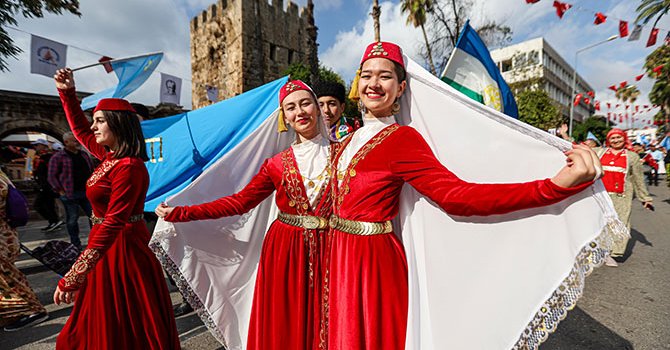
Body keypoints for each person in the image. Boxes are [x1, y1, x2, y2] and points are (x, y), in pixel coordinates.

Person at [322, 41, 602, 350]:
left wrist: (552, 187)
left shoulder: (402, 140)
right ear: (357, 82)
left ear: (401, 87)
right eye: (367, 75)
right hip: (338, 255)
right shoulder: (348, 140)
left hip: (372, 264)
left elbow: (457, 196)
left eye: (385, 76)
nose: (374, 84)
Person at [155, 80, 335, 350]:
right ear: (284, 117)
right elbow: (239, 202)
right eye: (291, 107)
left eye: (305, 103)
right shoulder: (276, 164)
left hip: (333, 245)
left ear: (317, 107)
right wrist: (181, 213)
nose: (300, 112)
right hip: (286, 250)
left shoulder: (343, 153)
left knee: (330, 314)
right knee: (290, 317)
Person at [52, 68, 180, 349]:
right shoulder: (109, 157)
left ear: (117, 124)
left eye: (99, 121)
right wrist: (67, 93)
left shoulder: (129, 167)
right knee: (98, 322)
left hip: (122, 250)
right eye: (94, 121)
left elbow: (112, 222)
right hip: (104, 248)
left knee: (126, 323)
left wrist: (74, 274)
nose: (94, 127)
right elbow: (80, 130)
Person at [0, 170, 49, 331]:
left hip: (3, 237)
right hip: (6, 234)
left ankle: (35, 310)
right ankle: (13, 313)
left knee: (9, 277)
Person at [597, 129, 653, 267]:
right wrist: (564, 136)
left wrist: (645, 198)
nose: (616, 140)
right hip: (599, 195)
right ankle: (598, 251)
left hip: (622, 196)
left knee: (620, 223)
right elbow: (578, 150)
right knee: (598, 223)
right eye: (613, 138)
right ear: (608, 140)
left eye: (618, 138)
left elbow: (638, 179)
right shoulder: (599, 152)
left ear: (624, 139)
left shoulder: (632, 156)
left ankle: (612, 253)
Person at [48, 131, 93, 250]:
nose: (77, 142)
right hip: (69, 192)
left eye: (77, 140)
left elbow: (91, 170)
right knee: (72, 219)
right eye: (74, 140)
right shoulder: (58, 157)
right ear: (66, 142)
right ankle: (75, 244)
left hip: (86, 191)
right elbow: (52, 176)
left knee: (94, 217)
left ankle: (94, 241)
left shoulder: (83, 155)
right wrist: (59, 190)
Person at [31, 139, 63, 232]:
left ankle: (54, 221)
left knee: (39, 205)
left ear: (43, 146)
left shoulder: (48, 157)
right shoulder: (41, 157)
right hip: (44, 185)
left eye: (37, 145)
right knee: (48, 205)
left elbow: (51, 172)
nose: (36, 147)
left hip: (47, 186)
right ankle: (53, 222)